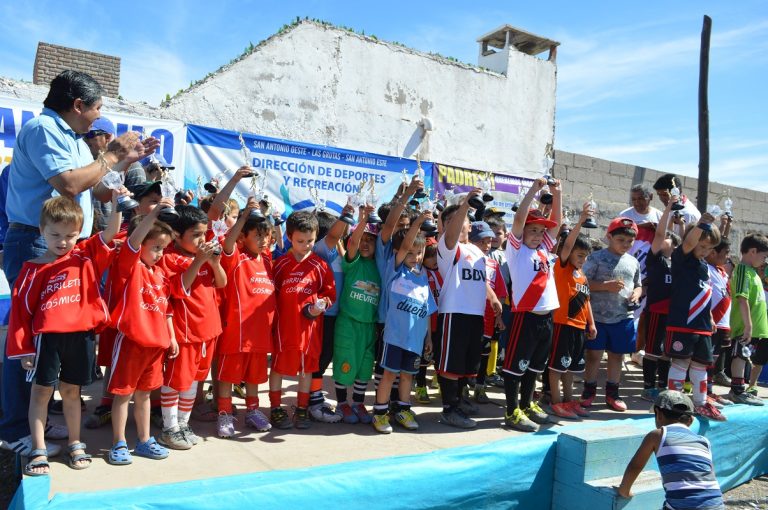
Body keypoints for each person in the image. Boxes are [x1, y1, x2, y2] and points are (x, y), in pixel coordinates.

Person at [1, 70, 157, 456]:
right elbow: (70, 184)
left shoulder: (70, 139)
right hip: (39, 242)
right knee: (28, 339)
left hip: (69, 245)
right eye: (98, 108)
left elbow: (96, 187)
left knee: (54, 339)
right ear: (78, 106)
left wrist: (123, 163)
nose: (98, 116)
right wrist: (112, 155)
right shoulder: (43, 129)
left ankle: (34, 415)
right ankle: (16, 428)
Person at [7, 193, 126, 475]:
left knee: (73, 393)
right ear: (42, 232)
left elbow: (110, 231)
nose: (63, 241)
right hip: (46, 340)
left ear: (80, 234)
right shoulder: (32, 269)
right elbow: (21, 314)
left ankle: (75, 443)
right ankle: (38, 448)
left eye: (70, 235)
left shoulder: (86, 257)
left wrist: (118, 203)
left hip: (80, 338)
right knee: (41, 394)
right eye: (55, 234)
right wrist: (24, 350)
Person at [106, 200, 176, 465]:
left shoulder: (160, 275)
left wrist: (170, 336)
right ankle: (119, 442)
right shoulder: (129, 267)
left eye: (163, 248)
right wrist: (154, 213)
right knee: (123, 394)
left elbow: (165, 309)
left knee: (144, 394)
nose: (160, 253)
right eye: (156, 247)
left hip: (155, 346)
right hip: (131, 343)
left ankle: (145, 440)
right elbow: (133, 242)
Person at [158, 205, 226, 448]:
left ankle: (184, 425)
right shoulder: (168, 258)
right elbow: (179, 289)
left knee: (194, 382)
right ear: (177, 235)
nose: (202, 239)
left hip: (209, 331)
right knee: (176, 381)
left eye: (204, 234)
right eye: (196, 235)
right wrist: (198, 261)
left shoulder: (206, 256)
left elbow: (221, 283)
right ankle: (169, 428)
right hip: (185, 333)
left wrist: (215, 263)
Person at [437, 189, 500, 429]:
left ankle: (460, 401)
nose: (466, 225)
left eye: (467, 221)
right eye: (462, 221)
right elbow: (452, 232)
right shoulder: (448, 246)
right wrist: (464, 204)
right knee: (451, 365)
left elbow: (481, 279)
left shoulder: (475, 249)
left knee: (466, 365)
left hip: (475, 314)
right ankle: (449, 409)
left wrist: (492, 298)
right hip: (455, 312)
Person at [502, 178, 561, 432]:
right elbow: (518, 220)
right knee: (517, 366)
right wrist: (534, 191)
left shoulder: (545, 251)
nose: (538, 235)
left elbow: (555, 224)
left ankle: (527, 405)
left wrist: (557, 193)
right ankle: (511, 411)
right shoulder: (516, 250)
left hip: (546, 318)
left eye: (540, 231)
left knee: (535, 367)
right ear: (523, 232)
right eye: (532, 230)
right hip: (525, 316)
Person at [215, 198, 277, 437]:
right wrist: (244, 217)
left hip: (260, 332)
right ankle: (225, 413)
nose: (263, 241)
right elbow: (228, 242)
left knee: (254, 377)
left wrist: (266, 215)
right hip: (236, 331)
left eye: (266, 236)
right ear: (243, 237)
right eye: (258, 236)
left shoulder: (268, 260)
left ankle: (252, 411)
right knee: (228, 376)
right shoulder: (236, 257)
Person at [269, 211, 335, 429]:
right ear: (289, 237)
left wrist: (321, 305)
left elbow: (329, 294)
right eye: (300, 241)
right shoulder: (279, 264)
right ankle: (276, 408)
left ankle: (301, 409)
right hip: (284, 329)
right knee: (278, 368)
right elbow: (270, 296)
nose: (306, 245)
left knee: (306, 370)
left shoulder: (320, 265)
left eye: (310, 241)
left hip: (310, 331)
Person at [372, 211, 436, 433]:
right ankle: (380, 413)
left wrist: (428, 337)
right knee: (389, 374)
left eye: (419, 253)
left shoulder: (422, 277)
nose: (416, 257)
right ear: (398, 253)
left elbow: (427, 309)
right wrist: (418, 222)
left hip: (415, 340)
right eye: (410, 252)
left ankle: (403, 409)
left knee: (408, 376)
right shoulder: (395, 270)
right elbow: (407, 241)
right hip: (395, 337)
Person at [617, 390, 725, 509]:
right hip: (716, 504)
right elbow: (709, 473)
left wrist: (624, 490)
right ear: (691, 420)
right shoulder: (703, 441)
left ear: (658, 414)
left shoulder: (657, 435)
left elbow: (635, 466)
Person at [665, 212, 725, 420]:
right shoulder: (682, 257)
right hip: (683, 323)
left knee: (700, 365)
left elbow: (704, 293)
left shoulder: (704, 267)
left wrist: (710, 316)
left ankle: (700, 403)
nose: (705, 252)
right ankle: (674, 402)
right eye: (702, 247)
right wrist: (703, 224)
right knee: (681, 363)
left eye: (709, 249)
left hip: (702, 325)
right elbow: (689, 242)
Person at [581, 217, 641, 412]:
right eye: (620, 240)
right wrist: (604, 286)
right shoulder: (595, 258)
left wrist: (637, 294)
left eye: (629, 241)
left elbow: (639, 284)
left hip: (623, 317)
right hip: (597, 317)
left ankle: (612, 393)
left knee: (617, 356)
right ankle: (589, 391)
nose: (625, 244)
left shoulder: (633, 262)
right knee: (594, 355)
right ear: (609, 237)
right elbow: (582, 283)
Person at [548, 203, 596, 419]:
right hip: (562, 324)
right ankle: (556, 401)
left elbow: (586, 301)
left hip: (578, 328)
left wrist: (591, 323)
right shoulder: (562, 267)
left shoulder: (582, 275)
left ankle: (569, 400)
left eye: (586, 256)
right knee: (557, 367)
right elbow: (567, 246)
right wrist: (581, 221)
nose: (582, 259)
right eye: (579, 255)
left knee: (570, 368)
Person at [333, 206, 380, 424]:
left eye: (371, 239)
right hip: (348, 323)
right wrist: (362, 220)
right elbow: (352, 243)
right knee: (345, 363)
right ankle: (342, 403)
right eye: (363, 238)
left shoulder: (378, 267)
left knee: (364, 368)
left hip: (369, 326)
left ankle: (358, 403)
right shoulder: (353, 263)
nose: (366, 243)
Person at [310, 204, 356, 423]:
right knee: (319, 358)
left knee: (326, 357)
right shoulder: (321, 249)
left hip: (338, 314)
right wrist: (347, 214)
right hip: (323, 315)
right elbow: (334, 234)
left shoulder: (339, 251)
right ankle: (313, 402)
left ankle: (314, 397)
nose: (344, 232)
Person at [639, 196, 679, 402]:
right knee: (653, 350)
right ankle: (648, 387)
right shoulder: (656, 259)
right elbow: (662, 232)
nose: (662, 238)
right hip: (656, 311)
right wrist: (669, 209)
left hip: (673, 314)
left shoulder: (678, 263)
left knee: (667, 352)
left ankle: (663, 386)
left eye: (668, 238)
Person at [468, 221, 507, 404]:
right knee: (468, 354)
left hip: (488, 318)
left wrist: (499, 317)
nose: (486, 245)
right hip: (469, 315)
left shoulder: (493, 264)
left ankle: (480, 387)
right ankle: (463, 388)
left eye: (489, 241)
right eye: (482, 241)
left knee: (484, 354)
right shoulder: (464, 261)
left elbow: (499, 292)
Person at [727, 234, 768, 405]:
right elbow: (742, 298)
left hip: (756, 328)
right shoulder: (743, 270)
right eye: (764, 256)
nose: (765, 261)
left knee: (746, 356)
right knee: (740, 355)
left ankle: (741, 389)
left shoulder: (753, 272)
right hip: (745, 326)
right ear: (752, 251)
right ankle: (736, 390)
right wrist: (748, 325)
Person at [705, 239, 735, 406]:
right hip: (711, 322)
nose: (728, 257)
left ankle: (709, 391)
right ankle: (702, 393)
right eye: (726, 253)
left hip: (723, 323)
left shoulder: (722, 272)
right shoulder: (706, 269)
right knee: (705, 360)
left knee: (713, 360)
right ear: (713, 252)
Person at [84, 117, 116, 233]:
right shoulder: (79, 161)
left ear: (107, 137)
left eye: (90, 135)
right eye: (83, 135)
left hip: (110, 234)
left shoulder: (129, 165)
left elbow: (136, 205)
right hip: (80, 231)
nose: (85, 139)